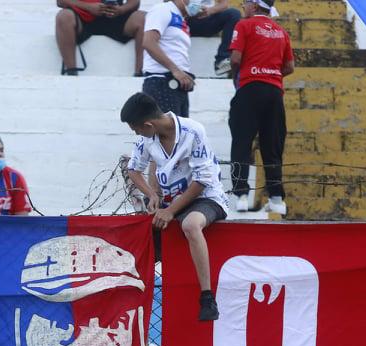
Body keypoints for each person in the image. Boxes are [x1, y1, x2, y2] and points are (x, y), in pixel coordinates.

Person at [121, 92, 228, 321]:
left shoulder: (193, 131)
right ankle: (129, 293)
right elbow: (133, 169)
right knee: (143, 233)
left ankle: (207, 297)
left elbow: (202, 180)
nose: (137, 134)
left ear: (148, 124)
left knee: (190, 225)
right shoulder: (147, 139)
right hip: (171, 202)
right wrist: (152, 195)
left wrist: (170, 211)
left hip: (205, 197)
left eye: (137, 129)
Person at [228, 0, 294, 215]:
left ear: (255, 6)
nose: (243, 6)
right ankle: (276, 199)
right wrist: (269, 74)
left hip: (249, 89)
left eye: (246, 3)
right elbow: (289, 67)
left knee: (242, 142)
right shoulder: (281, 32)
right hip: (274, 93)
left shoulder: (244, 25)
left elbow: (235, 59)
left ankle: (241, 195)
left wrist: (237, 77)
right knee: (272, 145)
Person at [55, 0, 145, 76]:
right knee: (64, 16)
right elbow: (60, 1)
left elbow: (135, 2)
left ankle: (140, 73)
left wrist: (121, 10)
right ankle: (71, 71)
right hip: (82, 16)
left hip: (115, 16)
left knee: (142, 18)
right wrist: (88, 7)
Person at [141, 0, 196, 117]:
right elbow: (149, 42)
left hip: (179, 82)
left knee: (179, 128)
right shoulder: (162, 9)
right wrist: (176, 70)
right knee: (167, 128)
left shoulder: (181, 18)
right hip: (161, 81)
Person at [186, 0, 241, 76]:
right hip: (186, 19)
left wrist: (209, 11)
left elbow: (224, 4)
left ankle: (222, 60)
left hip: (208, 18)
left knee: (234, 13)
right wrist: (191, 11)